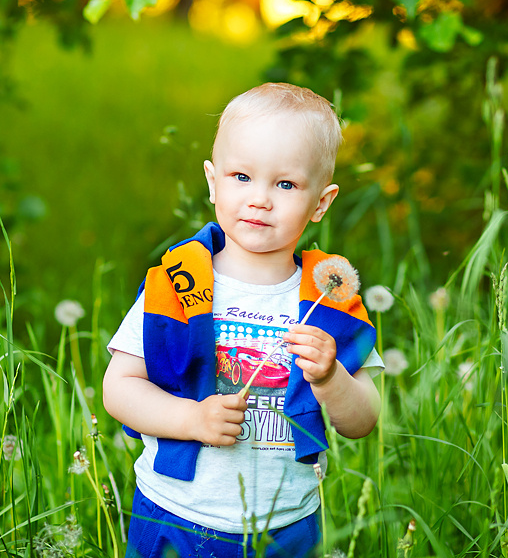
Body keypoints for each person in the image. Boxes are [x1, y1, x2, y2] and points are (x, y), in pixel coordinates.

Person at [103, 83, 383, 558]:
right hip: (176, 512)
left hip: (286, 523)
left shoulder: (329, 300)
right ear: (213, 182)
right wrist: (191, 419)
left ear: (321, 202)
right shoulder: (177, 284)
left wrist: (331, 377)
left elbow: (363, 419)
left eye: (285, 184)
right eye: (242, 177)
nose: (260, 199)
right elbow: (119, 387)